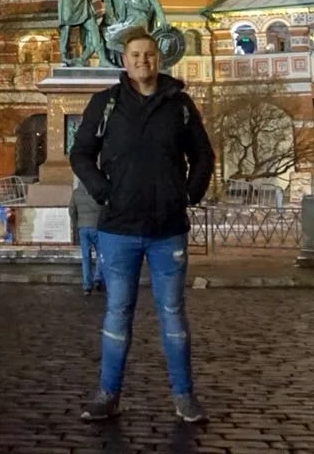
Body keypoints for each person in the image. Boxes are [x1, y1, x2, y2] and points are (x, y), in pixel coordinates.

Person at [70, 26, 216, 425]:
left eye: (148, 55)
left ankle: (184, 396)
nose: (142, 61)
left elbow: (203, 154)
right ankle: (108, 393)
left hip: (167, 228)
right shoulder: (106, 104)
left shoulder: (179, 104)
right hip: (118, 228)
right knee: (117, 313)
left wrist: (189, 193)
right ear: (124, 60)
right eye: (135, 55)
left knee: (173, 314)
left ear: (159, 58)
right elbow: (81, 153)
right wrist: (104, 192)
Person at [69, 175, 105, 295]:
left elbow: (72, 210)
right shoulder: (96, 192)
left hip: (82, 228)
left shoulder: (76, 193)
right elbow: (102, 208)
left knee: (85, 257)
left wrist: (77, 223)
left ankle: (87, 286)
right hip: (97, 227)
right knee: (101, 253)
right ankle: (98, 278)